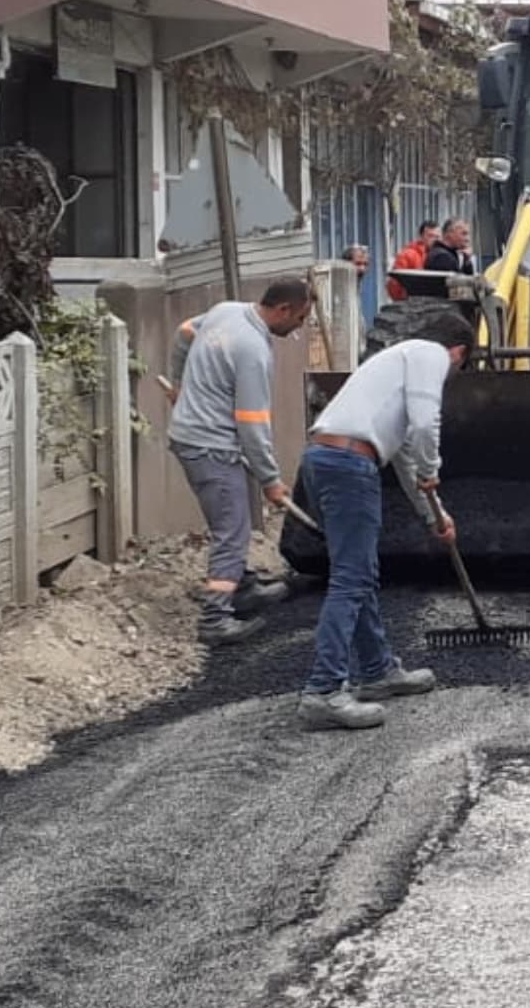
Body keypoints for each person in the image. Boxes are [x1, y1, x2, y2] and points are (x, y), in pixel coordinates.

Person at [295, 310, 475, 731]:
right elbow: (426, 424)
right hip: (347, 463)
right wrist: (434, 466)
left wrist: (436, 516)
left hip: (322, 459)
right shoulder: (431, 356)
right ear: (459, 352)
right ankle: (323, 691)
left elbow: (406, 455)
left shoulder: (397, 361)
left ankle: (376, 671)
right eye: (460, 367)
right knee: (352, 579)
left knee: (357, 572)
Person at [167, 276, 314, 644]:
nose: (299, 327)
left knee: (232, 517)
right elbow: (252, 425)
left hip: (195, 437)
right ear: (283, 309)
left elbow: (184, 332)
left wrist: (179, 384)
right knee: (232, 530)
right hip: (210, 446)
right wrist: (271, 479)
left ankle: (243, 585)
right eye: (300, 318)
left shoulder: (225, 311)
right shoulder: (254, 351)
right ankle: (216, 617)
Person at [387, 221, 440, 301]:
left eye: (437, 237)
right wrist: (403, 300)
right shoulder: (407, 255)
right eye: (430, 236)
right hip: (411, 303)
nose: (435, 240)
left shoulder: (442, 256)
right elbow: (395, 282)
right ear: (422, 237)